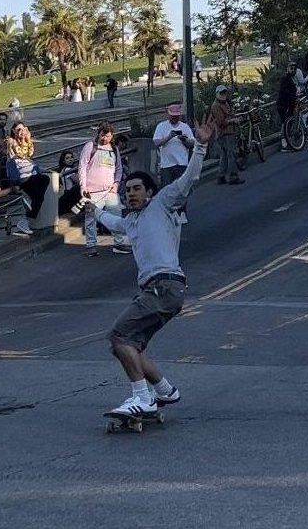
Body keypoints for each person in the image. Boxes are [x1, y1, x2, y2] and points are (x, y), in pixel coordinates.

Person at [86, 117, 214, 420]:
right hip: (158, 290)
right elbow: (114, 222)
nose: (130, 193)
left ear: (149, 192)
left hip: (165, 285)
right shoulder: (131, 221)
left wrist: (201, 146)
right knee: (131, 346)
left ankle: (142, 398)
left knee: (119, 337)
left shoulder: (163, 204)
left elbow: (187, 180)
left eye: (136, 189)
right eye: (127, 190)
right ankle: (165, 390)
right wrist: (96, 210)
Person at [78, 122, 131, 258]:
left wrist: (116, 184)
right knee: (91, 218)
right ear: (98, 134)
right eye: (102, 135)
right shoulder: (90, 147)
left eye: (107, 136)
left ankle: (118, 243)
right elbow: (82, 167)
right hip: (92, 190)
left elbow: (118, 168)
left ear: (112, 136)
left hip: (110, 189)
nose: (104, 139)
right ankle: (91, 245)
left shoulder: (114, 149)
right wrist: (83, 187)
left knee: (116, 217)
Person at [6, 122, 50, 235]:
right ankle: (28, 204)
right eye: (18, 129)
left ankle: (25, 218)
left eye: (23, 129)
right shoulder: (11, 141)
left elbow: (30, 153)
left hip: (30, 173)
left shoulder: (25, 141)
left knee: (42, 189)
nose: (21, 132)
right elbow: (19, 153)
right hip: (20, 174)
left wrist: (28, 139)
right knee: (37, 194)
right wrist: (21, 137)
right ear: (13, 131)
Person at [153, 104, 194, 221]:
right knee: (167, 190)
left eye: (177, 116)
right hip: (167, 164)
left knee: (182, 190)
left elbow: (192, 143)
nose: (175, 118)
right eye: (173, 116)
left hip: (182, 163)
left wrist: (184, 140)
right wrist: (169, 137)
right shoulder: (161, 127)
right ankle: (169, 213)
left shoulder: (185, 127)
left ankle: (182, 212)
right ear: (169, 115)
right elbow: (156, 143)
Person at [209, 85, 245, 185]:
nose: (223, 95)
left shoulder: (224, 103)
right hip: (224, 133)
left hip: (226, 132)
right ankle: (233, 176)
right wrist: (233, 120)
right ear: (217, 94)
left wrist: (235, 117)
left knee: (225, 155)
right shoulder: (216, 106)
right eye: (221, 93)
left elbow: (228, 115)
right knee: (231, 154)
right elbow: (221, 122)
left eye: (224, 93)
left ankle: (221, 176)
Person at [277, 61, 305, 151]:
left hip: (290, 103)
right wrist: (294, 95)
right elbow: (284, 91)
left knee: (289, 122)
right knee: (285, 123)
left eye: (294, 69)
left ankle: (288, 140)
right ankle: (284, 143)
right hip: (284, 104)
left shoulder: (293, 78)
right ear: (287, 69)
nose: (293, 70)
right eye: (291, 68)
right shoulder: (285, 78)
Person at [57, 149, 80, 215]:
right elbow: (78, 181)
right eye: (67, 158)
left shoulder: (64, 169)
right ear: (63, 161)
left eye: (71, 157)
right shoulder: (67, 170)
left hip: (69, 193)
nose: (70, 159)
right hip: (70, 194)